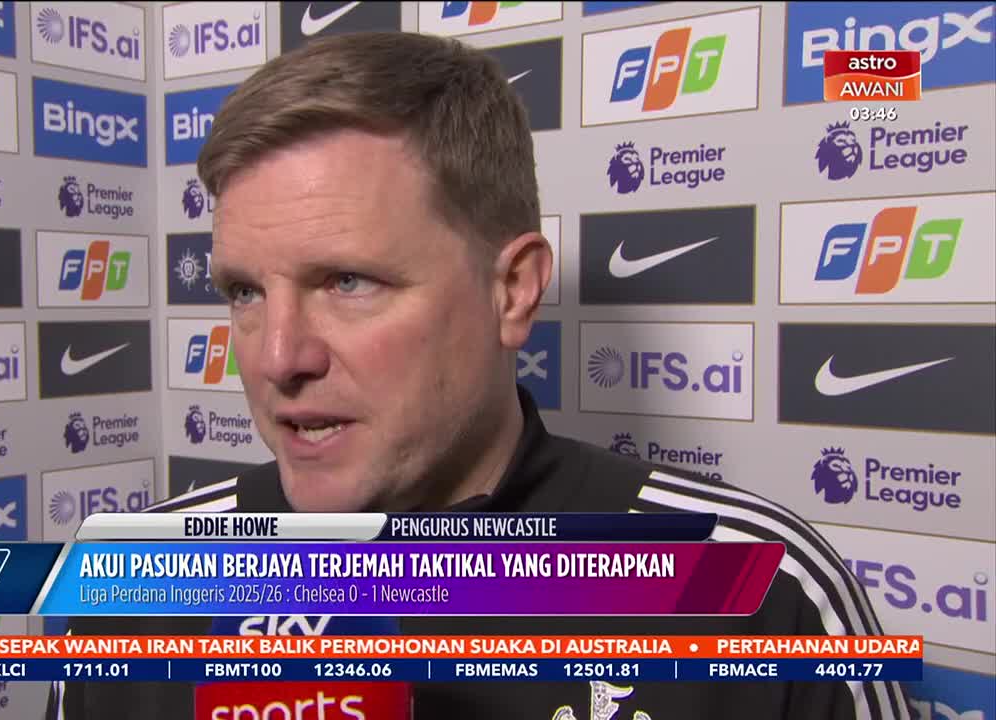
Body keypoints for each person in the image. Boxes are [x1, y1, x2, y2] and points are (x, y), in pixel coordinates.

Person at [47, 31, 909, 719]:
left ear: (512, 291)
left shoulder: (759, 589)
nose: (278, 358)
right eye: (244, 292)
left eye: (347, 282)